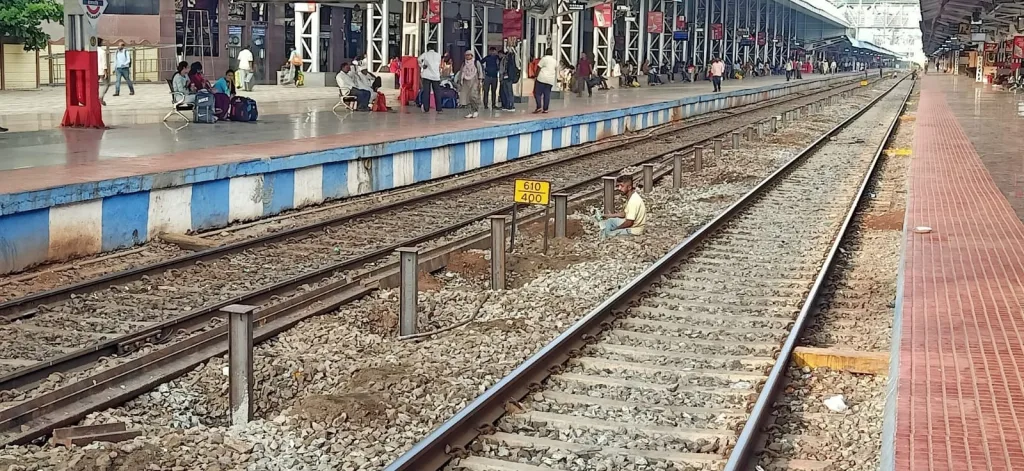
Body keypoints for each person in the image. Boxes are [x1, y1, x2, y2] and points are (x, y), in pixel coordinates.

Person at [597, 174, 647, 239]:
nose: (619, 188)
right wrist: (610, 215)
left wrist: (616, 229)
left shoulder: (633, 201)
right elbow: (625, 213)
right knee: (610, 221)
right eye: (619, 186)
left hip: (634, 229)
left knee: (609, 233)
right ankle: (605, 233)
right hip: (632, 224)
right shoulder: (631, 196)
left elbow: (629, 222)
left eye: (622, 186)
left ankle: (604, 237)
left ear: (629, 187)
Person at [457, 50, 484, 118]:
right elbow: (461, 72)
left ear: (472, 56)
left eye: (469, 55)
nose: (468, 56)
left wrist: (480, 81)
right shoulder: (464, 63)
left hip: (475, 81)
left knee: (473, 96)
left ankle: (475, 110)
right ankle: (470, 112)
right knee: (467, 98)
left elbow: (480, 72)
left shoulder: (476, 62)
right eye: (466, 55)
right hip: (466, 82)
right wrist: (460, 80)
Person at [418, 45, 443, 113]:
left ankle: (426, 108)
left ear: (428, 48)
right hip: (436, 76)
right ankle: (439, 108)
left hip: (427, 76)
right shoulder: (438, 55)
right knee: (437, 93)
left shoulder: (425, 54)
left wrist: (422, 65)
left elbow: (419, 59)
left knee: (426, 92)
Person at [533, 48, 556, 114]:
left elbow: (539, 67)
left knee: (537, 93)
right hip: (550, 80)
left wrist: (536, 76)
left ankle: (539, 107)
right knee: (547, 94)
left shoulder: (544, 59)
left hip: (541, 79)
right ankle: (545, 109)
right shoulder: (554, 61)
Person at [97, 40, 110, 106]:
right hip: (101, 70)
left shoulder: (93, 51)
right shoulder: (102, 51)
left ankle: (95, 97)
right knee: (106, 84)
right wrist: (106, 72)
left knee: (95, 85)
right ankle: (101, 97)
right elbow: (104, 63)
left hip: (94, 70)